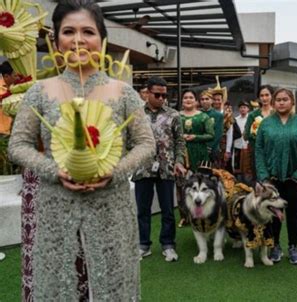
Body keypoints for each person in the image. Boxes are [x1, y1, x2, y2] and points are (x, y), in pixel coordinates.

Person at [8, 0, 155, 300]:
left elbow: (146, 144)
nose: (78, 40)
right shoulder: (40, 91)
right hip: (56, 209)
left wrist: (115, 172)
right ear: (56, 40)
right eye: (68, 31)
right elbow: (18, 145)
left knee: (112, 286)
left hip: (111, 210)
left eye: (87, 31)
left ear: (102, 40)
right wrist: (54, 171)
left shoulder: (123, 91)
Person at [132, 76, 186, 262]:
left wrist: (179, 162)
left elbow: (180, 142)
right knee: (142, 210)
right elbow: (128, 139)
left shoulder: (174, 115)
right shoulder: (136, 114)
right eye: (158, 94)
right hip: (142, 168)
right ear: (147, 93)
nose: (162, 98)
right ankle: (143, 244)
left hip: (167, 167)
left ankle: (168, 245)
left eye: (165, 95)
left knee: (168, 210)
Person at [255, 88, 297, 265]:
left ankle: (293, 247)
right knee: (273, 214)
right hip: (272, 180)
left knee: (294, 214)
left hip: (294, 179)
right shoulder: (266, 123)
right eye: (278, 99)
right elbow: (259, 150)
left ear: (292, 102)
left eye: (285, 99)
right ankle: (275, 246)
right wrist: (264, 176)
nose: (281, 102)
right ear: (273, 103)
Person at [244, 85, 274, 182]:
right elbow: (246, 135)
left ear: (272, 96)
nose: (264, 98)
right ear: (258, 98)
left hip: (274, 152)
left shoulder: (277, 113)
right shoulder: (253, 115)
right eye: (261, 96)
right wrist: (254, 133)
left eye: (267, 95)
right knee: (258, 180)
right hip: (257, 153)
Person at [180, 89, 214, 171]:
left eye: (191, 97)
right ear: (182, 101)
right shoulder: (176, 116)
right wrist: (181, 136)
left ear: (196, 101)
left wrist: (195, 137)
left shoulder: (204, 116)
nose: (188, 100)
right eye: (185, 98)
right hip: (180, 153)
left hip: (200, 152)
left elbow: (211, 135)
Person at [199, 90, 223, 167]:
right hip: (199, 148)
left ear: (212, 100)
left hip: (213, 149)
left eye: (207, 99)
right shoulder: (197, 114)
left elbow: (218, 134)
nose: (204, 101)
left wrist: (209, 146)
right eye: (202, 99)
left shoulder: (218, 115)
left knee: (213, 174)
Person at [233, 100, 252, 183]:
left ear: (248, 109)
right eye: (241, 107)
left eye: (244, 107)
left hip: (247, 145)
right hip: (237, 145)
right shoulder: (235, 119)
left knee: (247, 167)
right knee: (237, 166)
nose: (242, 109)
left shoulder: (250, 119)